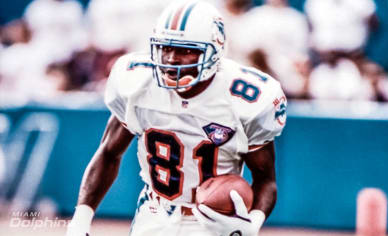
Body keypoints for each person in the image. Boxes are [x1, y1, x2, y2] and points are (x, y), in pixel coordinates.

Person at [66, 1, 287, 236]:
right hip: (154, 213)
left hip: (215, 221)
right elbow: (109, 153)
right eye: (165, 48)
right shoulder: (138, 83)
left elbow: (266, 180)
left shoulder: (245, 98)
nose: (171, 59)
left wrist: (250, 226)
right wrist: (80, 221)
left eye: (186, 50)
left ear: (215, 50)